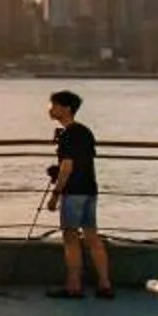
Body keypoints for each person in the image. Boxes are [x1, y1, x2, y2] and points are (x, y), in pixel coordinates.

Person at [45, 90, 113, 300]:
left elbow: (67, 166)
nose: (50, 109)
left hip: (73, 192)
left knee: (71, 237)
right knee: (92, 236)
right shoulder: (85, 132)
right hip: (89, 189)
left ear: (66, 109)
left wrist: (56, 193)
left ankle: (74, 285)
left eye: (54, 105)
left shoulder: (67, 135)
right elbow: (84, 161)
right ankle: (104, 283)